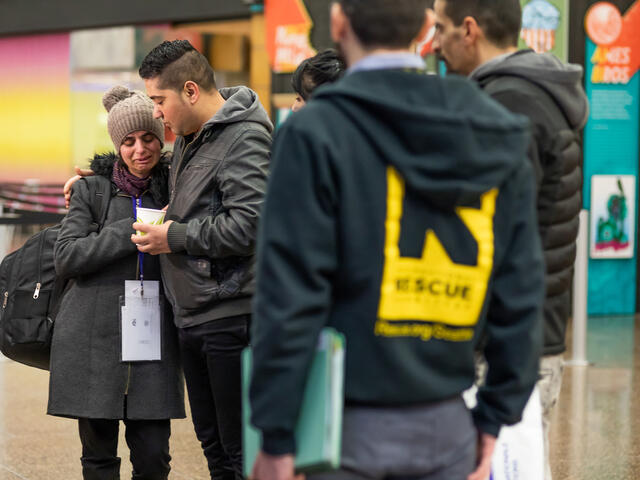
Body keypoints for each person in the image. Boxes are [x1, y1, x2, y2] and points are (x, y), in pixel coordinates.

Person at [248, 1, 544, 480]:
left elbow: (290, 296)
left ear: (339, 23)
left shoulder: (315, 132)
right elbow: (523, 290)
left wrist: (277, 434)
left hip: (341, 430)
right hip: (449, 429)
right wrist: (494, 415)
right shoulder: (495, 131)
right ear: (428, 29)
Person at [431, 2, 589, 478]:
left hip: (503, 347)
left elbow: (492, 237)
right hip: (527, 336)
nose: (434, 42)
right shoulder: (536, 93)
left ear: (470, 30)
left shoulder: (508, 104)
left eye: (440, 28)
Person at [130, 40, 272, 480]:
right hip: (193, 313)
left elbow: (251, 226)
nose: (155, 112)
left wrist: (175, 236)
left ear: (190, 90)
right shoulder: (193, 138)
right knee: (213, 445)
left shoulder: (244, 136)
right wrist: (93, 178)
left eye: (159, 100)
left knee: (238, 450)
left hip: (229, 313)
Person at [49, 86, 185, 480]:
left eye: (148, 138)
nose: (140, 149)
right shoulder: (91, 189)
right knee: (98, 458)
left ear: (162, 138)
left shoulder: (178, 187)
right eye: (128, 141)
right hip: (92, 339)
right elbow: (67, 256)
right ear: (117, 145)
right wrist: (129, 226)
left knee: (154, 456)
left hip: (152, 339)